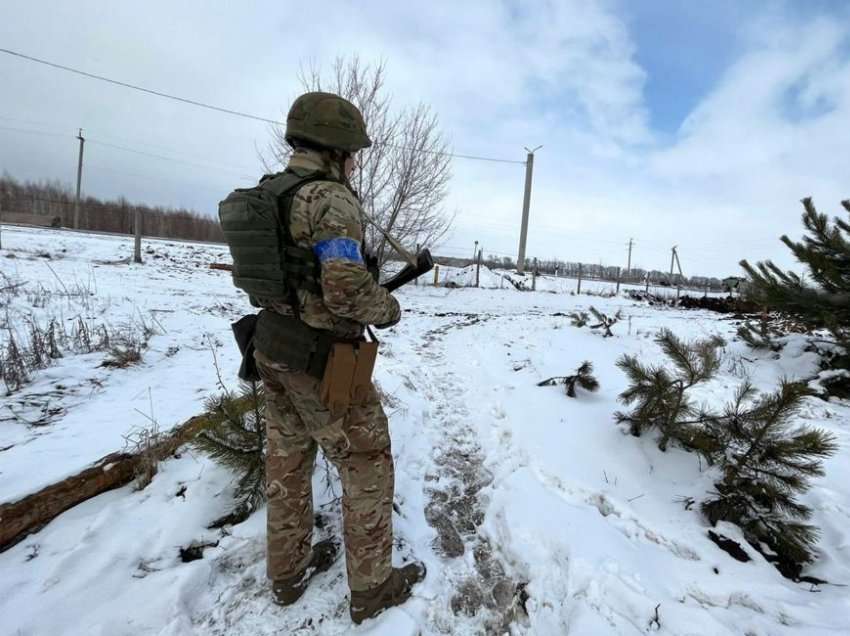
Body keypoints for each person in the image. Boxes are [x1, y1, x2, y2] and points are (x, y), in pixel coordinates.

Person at [250, 92, 425, 623]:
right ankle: (373, 588)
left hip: (270, 347)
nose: (356, 161)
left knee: (287, 463)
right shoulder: (330, 199)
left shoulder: (268, 194)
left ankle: (288, 574)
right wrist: (388, 307)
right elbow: (346, 290)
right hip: (321, 360)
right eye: (354, 151)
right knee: (366, 462)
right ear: (336, 148)